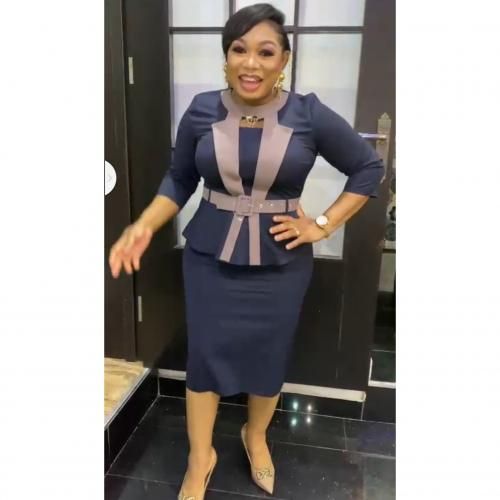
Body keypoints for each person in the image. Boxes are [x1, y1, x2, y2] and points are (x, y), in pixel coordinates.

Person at [108, 3, 384, 499]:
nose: (250, 63)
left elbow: (367, 168)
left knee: (269, 355)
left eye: (265, 52)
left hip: (281, 264)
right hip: (209, 259)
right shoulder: (202, 110)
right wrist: (143, 225)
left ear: (284, 60)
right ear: (226, 57)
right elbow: (180, 178)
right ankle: (200, 457)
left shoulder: (308, 114)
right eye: (239, 49)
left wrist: (322, 224)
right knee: (205, 357)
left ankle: (255, 437)